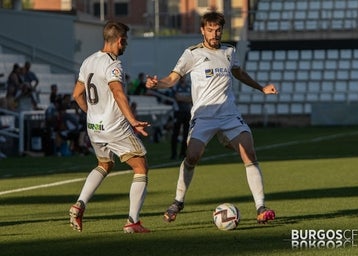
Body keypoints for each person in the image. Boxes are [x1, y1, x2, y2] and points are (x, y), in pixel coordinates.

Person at [146, 11, 278, 224]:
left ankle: (261, 206)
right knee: (192, 156)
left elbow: (239, 73)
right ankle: (178, 201)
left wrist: (261, 88)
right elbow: (172, 78)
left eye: (218, 30)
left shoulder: (229, 51)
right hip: (204, 116)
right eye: (210, 30)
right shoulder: (192, 54)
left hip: (229, 114)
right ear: (202, 30)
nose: (215, 34)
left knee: (249, 152)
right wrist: (157, 83)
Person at [69, 20, 151, 233]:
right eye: (126, 42)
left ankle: (79, 204)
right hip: (114, 126)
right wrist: (132, 121)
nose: (126, 46)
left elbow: (76, 95)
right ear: (120, 40)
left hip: (94, 127)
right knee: (140, 166)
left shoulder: (88, 61)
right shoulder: (113, 64)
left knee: (105, 164)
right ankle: (132, 222)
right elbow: (117, 92)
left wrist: (92, 114)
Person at [170, 76, 192, 160]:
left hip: (187, 112)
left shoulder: (189, 87)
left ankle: (183, 153)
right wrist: (186, 99)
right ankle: (174, 153)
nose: (183, 78)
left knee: (186, 134)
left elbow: (191, 99)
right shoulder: (176, 87)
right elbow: (177, 98)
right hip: (178, 112)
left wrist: (184, 99)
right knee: (175, 133)